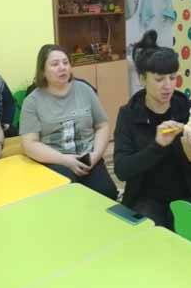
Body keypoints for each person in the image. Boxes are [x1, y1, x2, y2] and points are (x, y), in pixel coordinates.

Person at [113, 30, 191, 229]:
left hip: (188, 194)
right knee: (150, 235)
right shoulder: (128, 114)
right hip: (146, 197)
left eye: (172, 78)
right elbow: (122, 170)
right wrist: (157, 146)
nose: (168, 86)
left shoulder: (189, 109)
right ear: (142, 80)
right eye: (159, 79)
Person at [20, 44, 118, 200]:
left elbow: (103, 125)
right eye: (55, 64)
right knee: (70, 197)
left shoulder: (84, 90)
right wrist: (65, 160)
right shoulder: (32, 101)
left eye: (65, 62)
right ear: (42, 71)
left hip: (88, 158)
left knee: (107, 193)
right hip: (55, 161)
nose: (62, 67)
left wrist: (96, 155)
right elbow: (29, 144)